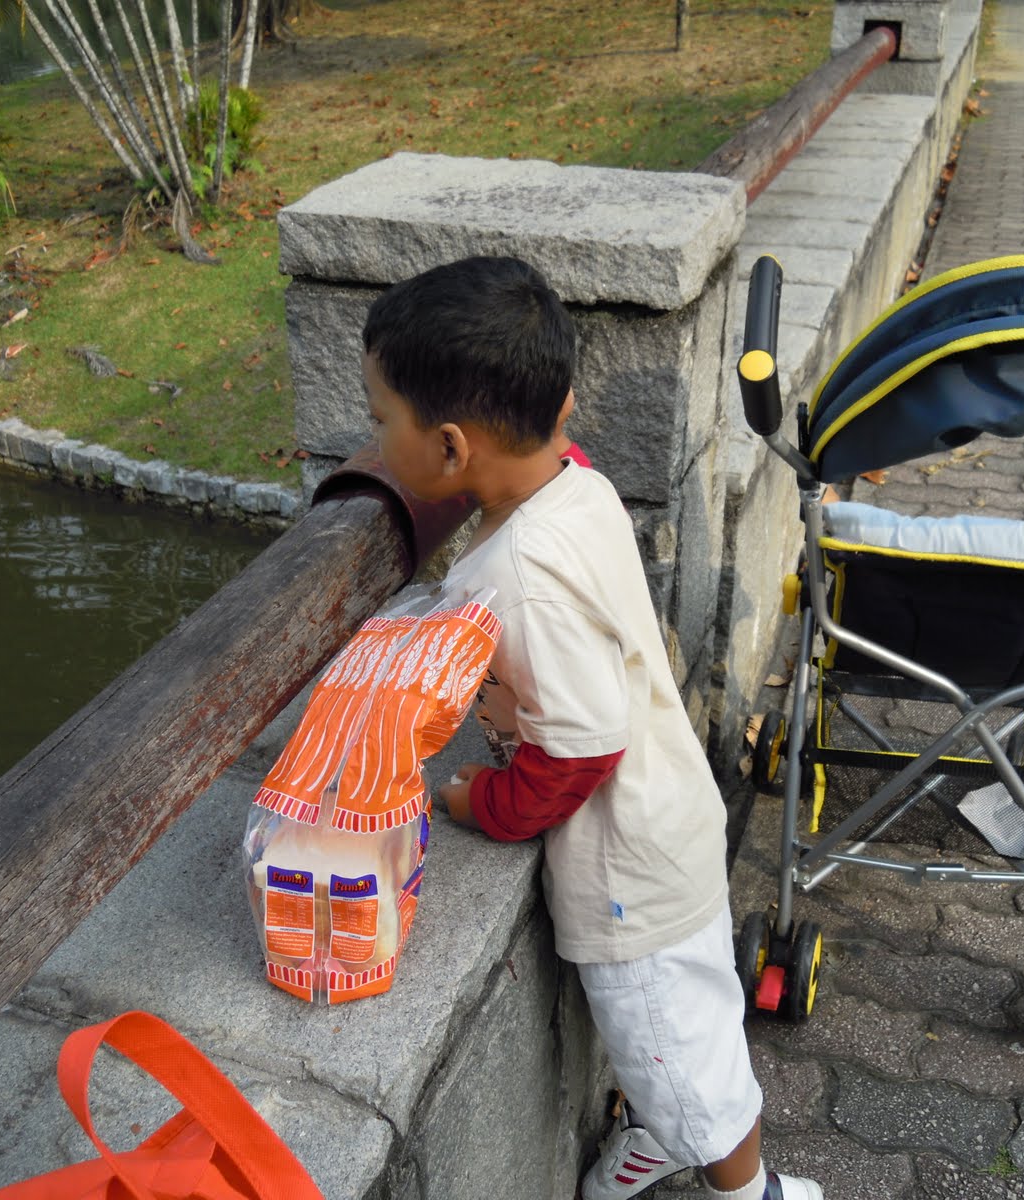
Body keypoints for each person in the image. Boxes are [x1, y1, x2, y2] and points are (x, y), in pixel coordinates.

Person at [360, 255, 822, 1200]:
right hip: (669, 821)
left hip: (627, 874)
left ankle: (751, 1192)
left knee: (678, 1058)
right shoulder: (574, 482)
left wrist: (480, 800)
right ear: (563, 405)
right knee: (686, 1029)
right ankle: (669, 1135)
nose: (372, 441)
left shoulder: (521, 575)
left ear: (451, 451)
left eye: (380, 422)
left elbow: (582, 744)